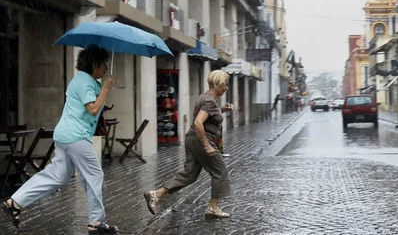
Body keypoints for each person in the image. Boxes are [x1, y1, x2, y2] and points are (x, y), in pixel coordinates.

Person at [1, 45, 118, 234]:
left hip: (66, 135)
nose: (106, 67)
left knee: (59, 176)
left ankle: (14, 202)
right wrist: (105, 88)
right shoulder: (84, 81)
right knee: (95, 175)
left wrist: (102, 89)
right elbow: (93, 109)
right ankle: (96, 223)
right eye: (104, 63)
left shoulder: (85, 81)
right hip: (76, 136)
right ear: (95, 64)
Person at [144, 70, 234, 218]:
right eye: (225, 84)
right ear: (217, 84)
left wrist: (222, 110)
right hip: (201, 140)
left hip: (192, 139)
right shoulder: (209, 101)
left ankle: (155, 194)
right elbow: (199, 122)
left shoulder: (205, 98)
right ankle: (213, 208)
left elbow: (207, 117)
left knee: (189, 174)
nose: (226, 88)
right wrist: (207, 145)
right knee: (220, 171)